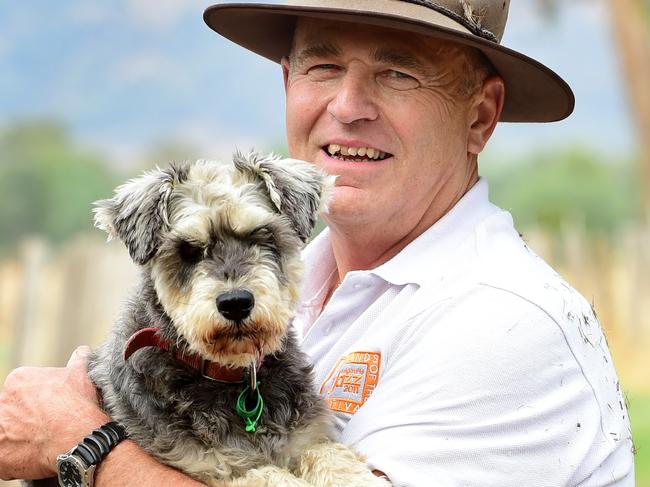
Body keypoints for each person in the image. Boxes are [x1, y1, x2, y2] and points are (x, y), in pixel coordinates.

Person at [0, 1, 635, 486]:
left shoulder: (502, 322)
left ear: (479, 116)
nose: (349, 105)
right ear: (286, 84)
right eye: (323, 66)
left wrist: (86, 445)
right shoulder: (300, 285)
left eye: (398, 71)